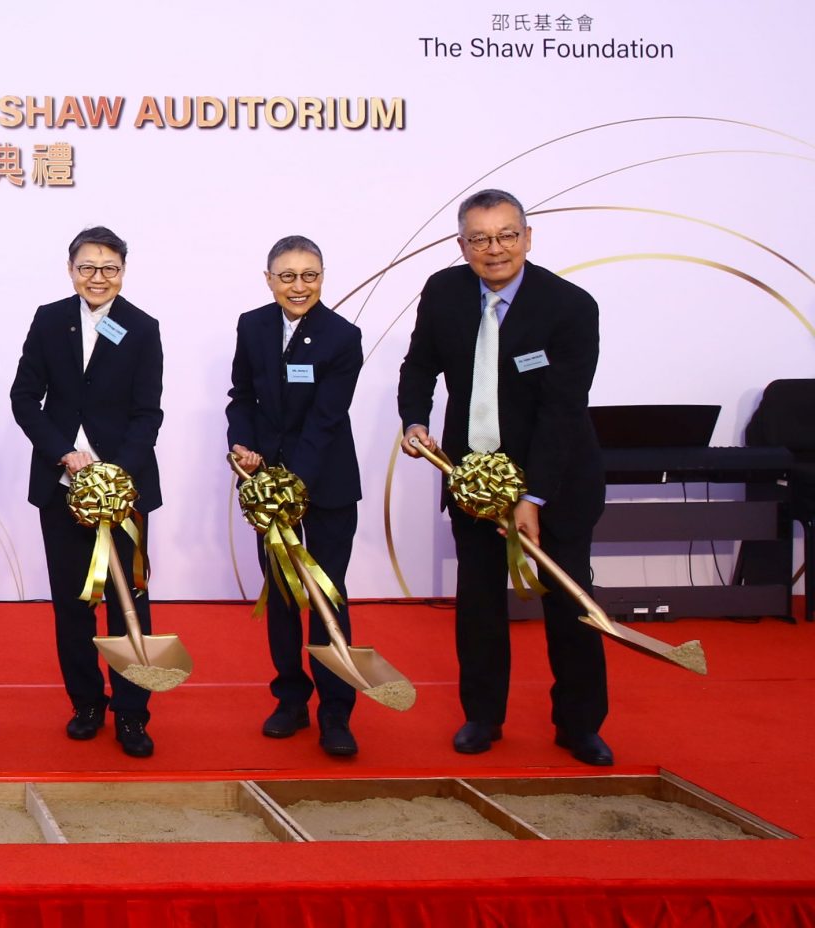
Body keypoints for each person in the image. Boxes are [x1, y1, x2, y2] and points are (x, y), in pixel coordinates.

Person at [397, 188, 612, 766]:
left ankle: (579, 724)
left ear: (528, 237)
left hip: (557, 481)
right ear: (461, 244)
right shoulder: (443, 292)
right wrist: (414, 418)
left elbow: (563, 410)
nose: (495, 250)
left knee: (569, 605)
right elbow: (419, 363)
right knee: (480, 605)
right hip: (473, 481)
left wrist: (532, 495)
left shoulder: (569, 306)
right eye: (481, 239)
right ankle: (482, 717)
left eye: (507, 236)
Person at [9, 226, 164, 758]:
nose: (98, 278)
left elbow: (149, 412)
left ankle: (132, 713)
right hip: (62, 485)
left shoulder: (142, 328)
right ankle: (87, 702)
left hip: (124, 489)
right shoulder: (49, 320)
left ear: (124, 270)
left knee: (127, 603)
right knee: (73, 604)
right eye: (87, 268)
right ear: (71, 269)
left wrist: (115, 471)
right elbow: (25, 397)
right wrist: (64, 453)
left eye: (109, 268)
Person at [224, 235, 365, 757]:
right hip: (267, 485)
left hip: (324, 485)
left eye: (309, 275)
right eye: (287, 276)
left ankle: (336, 711)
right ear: (269, 280)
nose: (299, 286)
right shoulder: (253, 325)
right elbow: (241, 396)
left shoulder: (342, 337)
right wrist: (241, 444)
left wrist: (290, 483)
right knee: (282, 594)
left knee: (326, 592)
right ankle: (290, 700)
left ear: (323, 277)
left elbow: (326, 421)